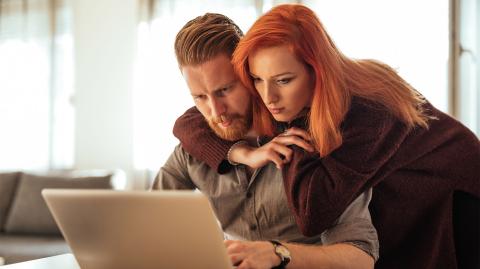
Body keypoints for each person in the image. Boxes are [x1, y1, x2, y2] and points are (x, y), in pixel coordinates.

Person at [172, 4, 480, 269]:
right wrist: (243, 153)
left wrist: (288, 133)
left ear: (315, 71)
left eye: (283, 80)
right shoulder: (288, 99)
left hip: (454, 193)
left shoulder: (366, 112)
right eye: (257, 80)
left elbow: (312, 214)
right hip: (398, 200)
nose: (267, 97)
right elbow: (190, 123)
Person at [152, 12, 380, 269]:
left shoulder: (314, 140)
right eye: (200, 98)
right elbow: (149, 227)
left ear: (249, 74)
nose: (216, 112)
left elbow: (360, 258)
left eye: (225, 90)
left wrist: (278, 253)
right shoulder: (192, 149)